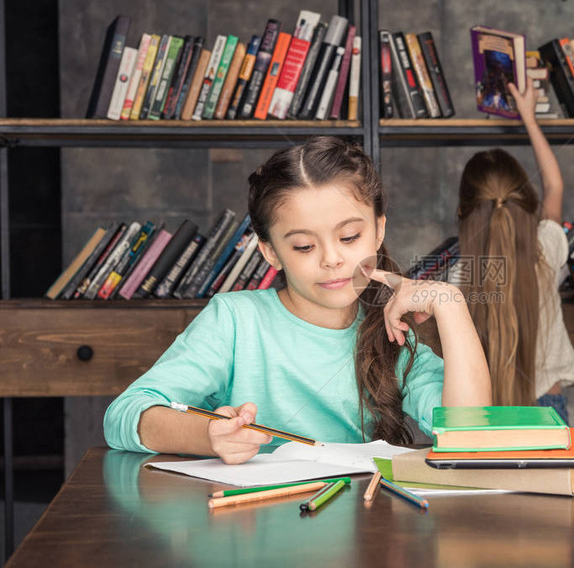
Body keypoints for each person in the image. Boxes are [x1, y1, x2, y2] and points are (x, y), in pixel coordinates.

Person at [104, 136, 491, 464]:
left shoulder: (393, 337)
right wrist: (208, 435)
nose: (332, 259)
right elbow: (124, 414)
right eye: (304, 246)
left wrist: (451, 303)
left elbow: (469, 436)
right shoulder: (235, 321)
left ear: (378, 230)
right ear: (270, 251)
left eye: (350, 237)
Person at [456, 81, 574, 424]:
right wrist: (528, 115)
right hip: (546, 408)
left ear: (463, 215)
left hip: (482, 412)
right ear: (528, 205)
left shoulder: (457, 280)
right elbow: (554, 185)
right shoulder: (547, 249)